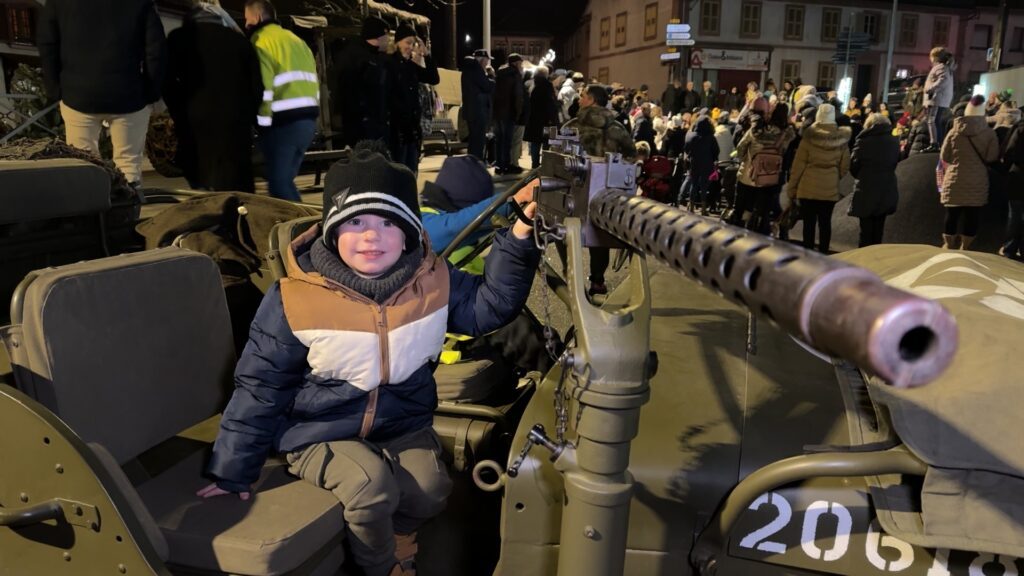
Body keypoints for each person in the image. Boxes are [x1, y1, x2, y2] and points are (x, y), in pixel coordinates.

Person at [200, 150, 540, 576]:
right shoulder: (296, 298)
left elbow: (491, 306)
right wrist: (234, 469)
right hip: (317, 431)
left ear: (410, 233)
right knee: (370, 486)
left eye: (389, 223)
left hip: (400, 425)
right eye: (355, 222)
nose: (371, 237)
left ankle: (397, 537)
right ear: (330, 232)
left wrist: (521, 234)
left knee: (432, 490)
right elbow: (260, 385)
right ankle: (381, 567)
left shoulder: (432, 281)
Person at [37, 0, 166, 187]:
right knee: (128, 163)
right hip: (128, 93)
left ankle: (89, 211)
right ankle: (128, 211)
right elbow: (156, 50)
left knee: (83, 164)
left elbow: (47, 44)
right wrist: (150, 92)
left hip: (77, 93)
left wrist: (55, 89)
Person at [164, 0, 263, 192]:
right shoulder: (240, 42)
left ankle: (210, 207)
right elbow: (256, 86)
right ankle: (239, 212)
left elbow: (167, 81)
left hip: (194, 116)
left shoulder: (178, 39)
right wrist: (252, 116)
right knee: (236, 172)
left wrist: (177, 110)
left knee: (201, 169)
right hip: (235, 118)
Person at [561, 83, 636, 297]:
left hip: (573, 189)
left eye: (583, 96)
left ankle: (571, 278)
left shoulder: (572, 126)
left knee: (567, 232)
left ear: (592, 100)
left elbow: (558, 157)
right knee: (600, 235)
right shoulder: (617, 128)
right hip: (604, 191)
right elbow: (631, 156)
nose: (579, 99)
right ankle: (597, 280)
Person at [244, 0, 320, 201]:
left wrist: (262, 122)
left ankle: (302, 226)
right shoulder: (296, 40)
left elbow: (265, 87)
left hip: (283, 123)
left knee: (279, 184)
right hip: (307, 120)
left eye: (247, 19)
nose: (245, 24)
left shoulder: (260, 41)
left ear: (258, 17)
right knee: (284, 180)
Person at [786, 103, 851, 253]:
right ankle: (823, 253)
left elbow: (798, 166)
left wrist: (792, 188)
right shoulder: (841, 138)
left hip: (808, 186)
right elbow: (845, 165)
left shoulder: (809, 137)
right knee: (825, 222)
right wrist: (834, 176)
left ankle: (808, 253)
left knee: (809, 223)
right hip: (829, 188)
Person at [939, 95, 1000, 250]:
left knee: (952, 215)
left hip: (954, 178)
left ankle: (949, 244)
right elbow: (991, 157)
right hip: (977, 180)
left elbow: (944, 156)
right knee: (972, 216)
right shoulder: (989, 133)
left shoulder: (954, 132)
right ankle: (965, 247)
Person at [735, 101, 795, 233]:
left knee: (743, 206)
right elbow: (784, 154)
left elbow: (740, 148)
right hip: (770, 176)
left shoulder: (756, 130)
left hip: (748, 175)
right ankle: (762, 230)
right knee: (764, 209)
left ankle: (740, 229)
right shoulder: (786, 134)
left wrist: (746, 160)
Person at [388, 24, 440, 175]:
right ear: (397, 42)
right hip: (397, 132)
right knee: (399, 174)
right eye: (407, 42)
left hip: (412, 131)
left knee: (411, 174)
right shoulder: (389, 64)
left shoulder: (411, 66)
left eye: (413, 43)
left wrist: (426, 55)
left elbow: (433, 78)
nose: (410, 47)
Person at [337, 16, 390, 148]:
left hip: (376, 124)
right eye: (386, 35)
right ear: (378, 36)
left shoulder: (376, 57)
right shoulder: (356, 57)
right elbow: (349, 93)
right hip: (363, 126)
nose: (389, 40)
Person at [849, 113, 900, 247]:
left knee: (865, 232)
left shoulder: (863, 141)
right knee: (878, 231)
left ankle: (863, 262)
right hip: (886, 188)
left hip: (866, 188)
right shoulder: (894, 142)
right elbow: (895, 162)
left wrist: (862, 176)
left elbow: (854, 165)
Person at [493, 53, 525, 175]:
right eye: (520, 63)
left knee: (499, 140)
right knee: (507, 141)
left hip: (498, 113)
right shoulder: (515, 75)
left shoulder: (499, 74)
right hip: (509, 113)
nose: (521, 66)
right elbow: (517, 96)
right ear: (516, 63)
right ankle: (506, 166)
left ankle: (499, 165)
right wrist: (518, 113)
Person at [680, 115, 720, 212]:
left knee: (694, 184)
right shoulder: (711, 137)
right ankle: (703, 208)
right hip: (707, 163)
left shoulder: (692, 136)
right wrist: (713, 158)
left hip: (695, 163)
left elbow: (686, 148)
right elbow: (716, 150)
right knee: (704, 186)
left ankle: (692, 206)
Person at [460, 49, 495, 161]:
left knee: (474, 140)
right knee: (478, 142)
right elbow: (486, 86)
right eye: (486, 61)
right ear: (482, 60)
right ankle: (476, 165)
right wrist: (492, 80)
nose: (487, 64)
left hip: (472, 111)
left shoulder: (468, 70)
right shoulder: (476, 69)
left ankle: (473, 165)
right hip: (478, 111)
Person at [524, 66, 559, 169]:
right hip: (545, 119)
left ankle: (534, 164)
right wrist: (553, 118)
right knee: (546, 142)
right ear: (546, 74)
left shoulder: (532, 84)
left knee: (535, 142)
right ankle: (544, 164)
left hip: (534, 118)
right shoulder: (547, 85)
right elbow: (550, 103)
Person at [999, 115, 1024, 258]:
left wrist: (1005, 168)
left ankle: (1010, 248)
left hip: (1018, 176)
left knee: (1014, 214)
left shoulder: (1020, 128)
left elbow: (1009, 151)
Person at [922, 47, 954, 153]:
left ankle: (935, 144)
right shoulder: (945, 67)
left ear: (935, 57)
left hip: (936, 99)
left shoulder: (941, 67)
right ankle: (937, 143)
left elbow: (943, 80)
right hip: (938, 99)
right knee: (935, 121)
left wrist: (929, 89)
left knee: (932, 121)